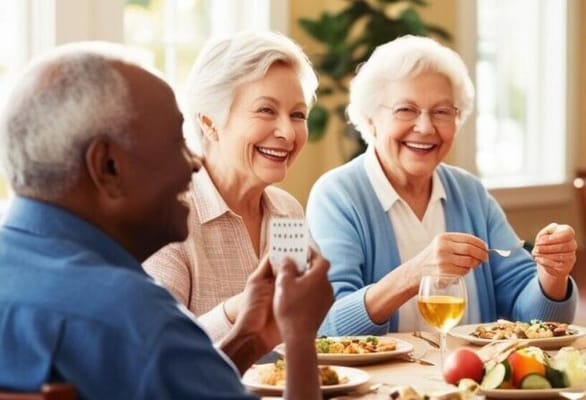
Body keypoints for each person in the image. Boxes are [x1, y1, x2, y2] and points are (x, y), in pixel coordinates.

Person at [0, 41, 333, 399]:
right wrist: (298, 334)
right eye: (176, 141)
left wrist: (247, 340)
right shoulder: (136, 319)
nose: (193, 162)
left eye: (298, 114)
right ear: (108, 167)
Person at [306, 35, 578, 336]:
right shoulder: (338, 195)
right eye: (405, 110)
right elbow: (327, 326)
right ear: (370, 119)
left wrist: (552, 275)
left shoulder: (469, 193)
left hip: (468, 380)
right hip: (382, 383)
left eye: (441, 112)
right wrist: (414, 273)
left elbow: (534, 318)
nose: (425, 127)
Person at [143, 31, 318, 341]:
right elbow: (157, 347)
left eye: (297, 115)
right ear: (210, 123)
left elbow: (295, 331)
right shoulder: (166, 215)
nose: (288, 134)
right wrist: (238, 310)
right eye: (266, 110)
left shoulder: (287, 211)